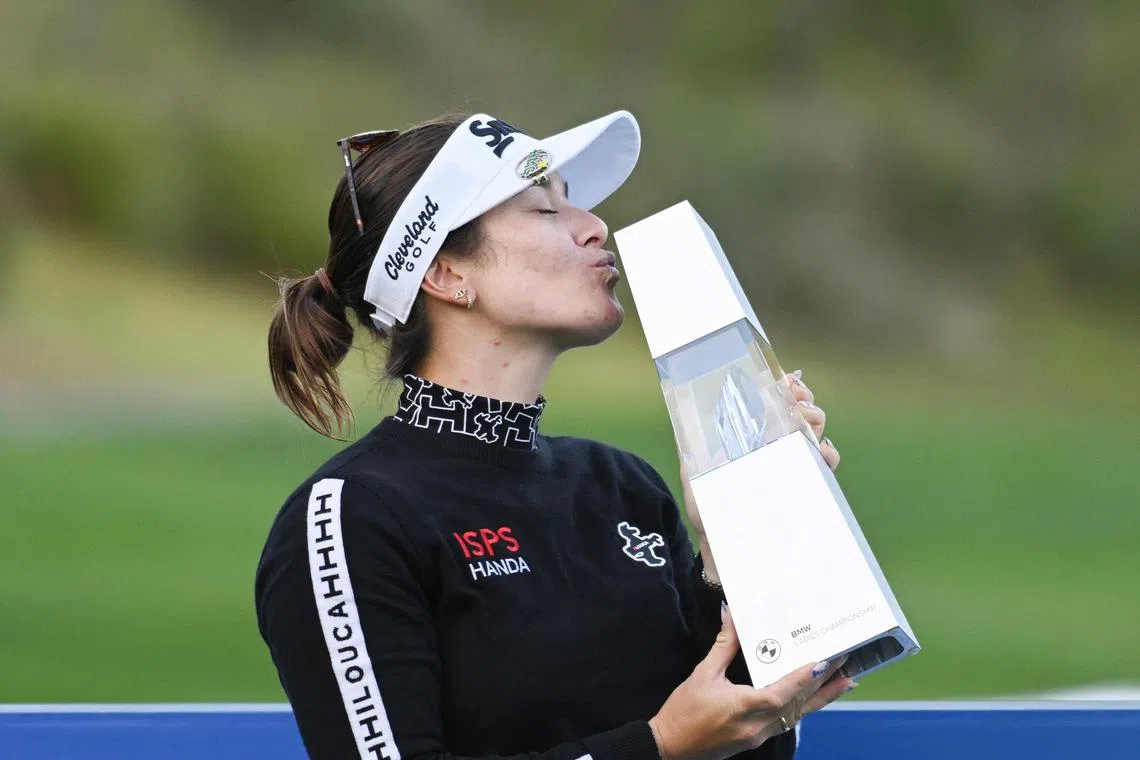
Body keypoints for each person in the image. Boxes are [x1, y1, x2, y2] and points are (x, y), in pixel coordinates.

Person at [256, 110, 854, 760]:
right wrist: (658, 748)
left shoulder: (623, 486)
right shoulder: (352, 517)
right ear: (446, 275)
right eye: (544, 210)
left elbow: (745, 744)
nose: (596, 226)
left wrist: (732, 548)